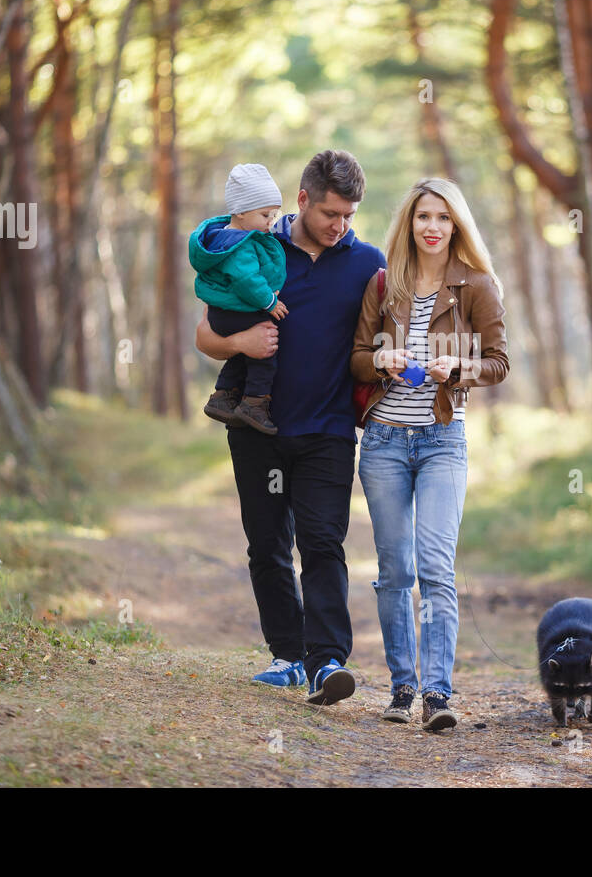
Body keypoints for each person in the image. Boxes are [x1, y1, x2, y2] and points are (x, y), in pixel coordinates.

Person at [195, 150, 385, 706]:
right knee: (267, 547)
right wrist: (240, 344)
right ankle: (286, 655)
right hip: (257, 426)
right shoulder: (257, 247)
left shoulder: (365, 263)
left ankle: (327, 662)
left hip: (328, 431)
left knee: (323, 544)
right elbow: (205, 335)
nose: (340, 225)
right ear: (301, 201)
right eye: (331, 213)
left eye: (349, 215)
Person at [350, 177, 508, 731]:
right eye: (423, 217)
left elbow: (499, 362)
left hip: (443, 441)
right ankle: (401, 688)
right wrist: (382, 359)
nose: (433, 227)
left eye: (443, 217)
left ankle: (437, 694)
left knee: (436, 568)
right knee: (396, 571)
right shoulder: (384, 283)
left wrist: (459, 369)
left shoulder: (477, 286)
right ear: (409, 224)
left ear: (456, 224)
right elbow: (356, 358)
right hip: (385, 442)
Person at [189, 163, 286, 434]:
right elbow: (246, 280)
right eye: (266, 214)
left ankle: (222, 396)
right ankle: (254, 403)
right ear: (241, 212)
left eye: (274, 214)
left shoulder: (226, 238)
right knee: (265, 353)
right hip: (237, 312)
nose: (271, 221)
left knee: (243, 357)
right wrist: (270, 302)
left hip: (225, 312)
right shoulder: (239, 244)